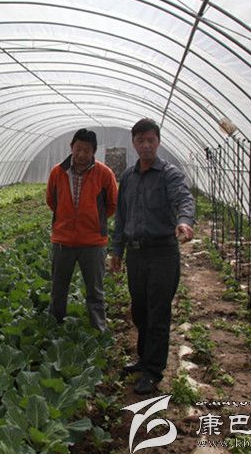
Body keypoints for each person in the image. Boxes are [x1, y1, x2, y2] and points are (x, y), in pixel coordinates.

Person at [110, 118, 195, 395]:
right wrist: (117, 250)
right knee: (139, 309)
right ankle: (143, 358)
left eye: (151, 140)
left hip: (162, 253)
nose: (146, 145)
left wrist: (184, 221)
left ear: (158, 142)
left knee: (158, 312)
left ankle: (153, 371)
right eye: (141, 140)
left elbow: (184, 199)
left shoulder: (169, 174)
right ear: (134, 143)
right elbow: (122, 216)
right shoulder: (128, 177)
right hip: (136, 255)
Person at [46, 128, 118, 332]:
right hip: (63, 240)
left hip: (93, 242)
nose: (81, 154)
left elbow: (112, 204)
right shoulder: (58, 172)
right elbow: (51, 200)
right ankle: (54, 327)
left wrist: (94, 221)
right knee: (58, 288)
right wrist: (65, 219)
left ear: (94, 151)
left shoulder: (104, 173)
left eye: (86, 150)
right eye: (78, 149)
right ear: (71, 147)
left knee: (95, 290)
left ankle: (98, 328)